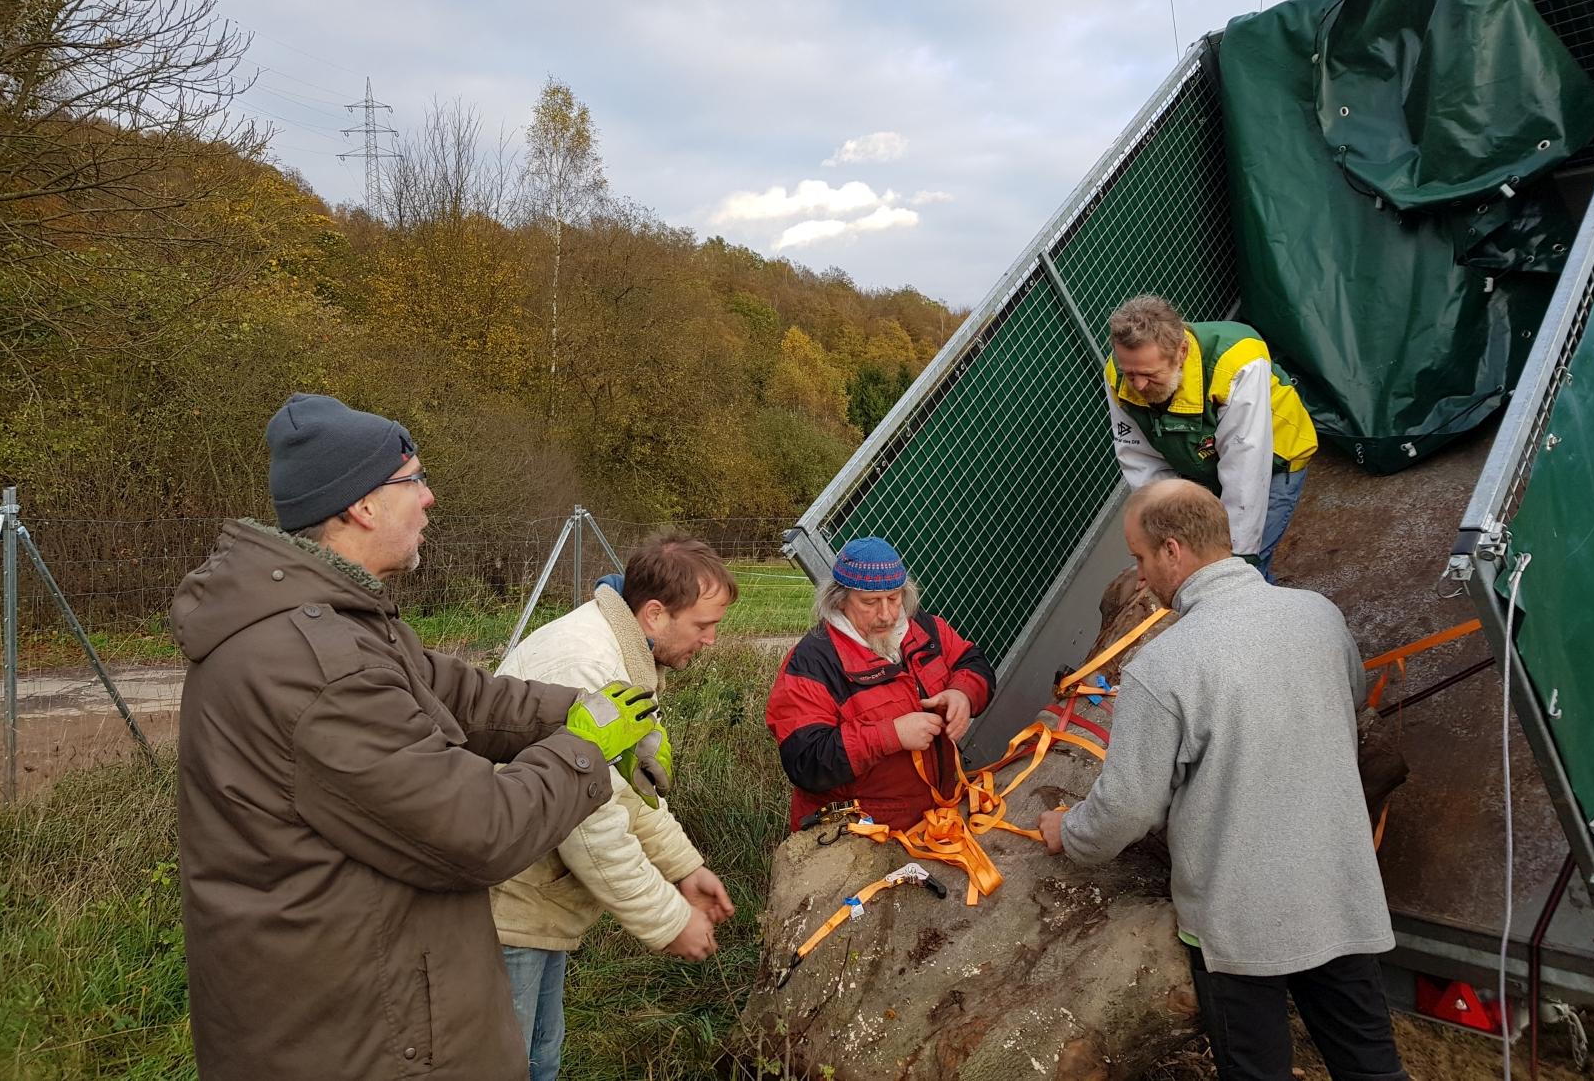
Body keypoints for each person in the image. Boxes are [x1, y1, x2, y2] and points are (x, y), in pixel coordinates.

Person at [173, 393, 660, 1081]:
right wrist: (584, 748)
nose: (429, 498)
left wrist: (590, 709)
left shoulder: (339, 623)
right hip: (357, 1035)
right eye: (413, 480)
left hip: (363, 995)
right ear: (361, 506)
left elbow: (464, 693)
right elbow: (477, 830)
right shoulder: (316, 666)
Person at [1038, 480, 1407, 1081]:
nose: (1139, 577)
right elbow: (1353, 697)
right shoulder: (1320, 616)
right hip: (1337, 891)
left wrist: (1069, 833)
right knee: (1371, 1066)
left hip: (1240, 923)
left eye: (1139, 557)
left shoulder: (1162, 665)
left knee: (1256, 1072)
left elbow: (1127, 809)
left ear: (1173, 552)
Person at [492, 530, 739, 1081]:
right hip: (509, 898)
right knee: (510, 1063)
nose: (712, 641)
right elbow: (588, 826)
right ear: (654, 614)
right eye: (703, 625)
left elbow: (627, 785)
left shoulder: (620, 653)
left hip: (535, 893)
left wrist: (685, 868)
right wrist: (669, 920)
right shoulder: (586, 666)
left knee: (538, 1056)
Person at [765, 537, 996, 831]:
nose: (887, 614)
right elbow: (807, 762)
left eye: (894, 598)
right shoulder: (812, 662)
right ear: (839, 599)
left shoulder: (926, 629)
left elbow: (973, 663)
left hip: (939, 818)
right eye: (870, 602)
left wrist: (962, 694)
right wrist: (892, 735)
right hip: (860, 833)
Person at [1104, 294, 1317, 579]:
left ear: (1181, 352)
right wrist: (1164, 534)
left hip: (1273, 460)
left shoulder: (1238, 362)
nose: (1138, 385)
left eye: (1149, 374)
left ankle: (1259, 612)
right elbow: (1140, 459)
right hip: (1202, 464)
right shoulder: (1118, 374)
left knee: (1244, 569)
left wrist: (1238, 557)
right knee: (1198, 563)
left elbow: (1246, 470)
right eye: (1131, 374)